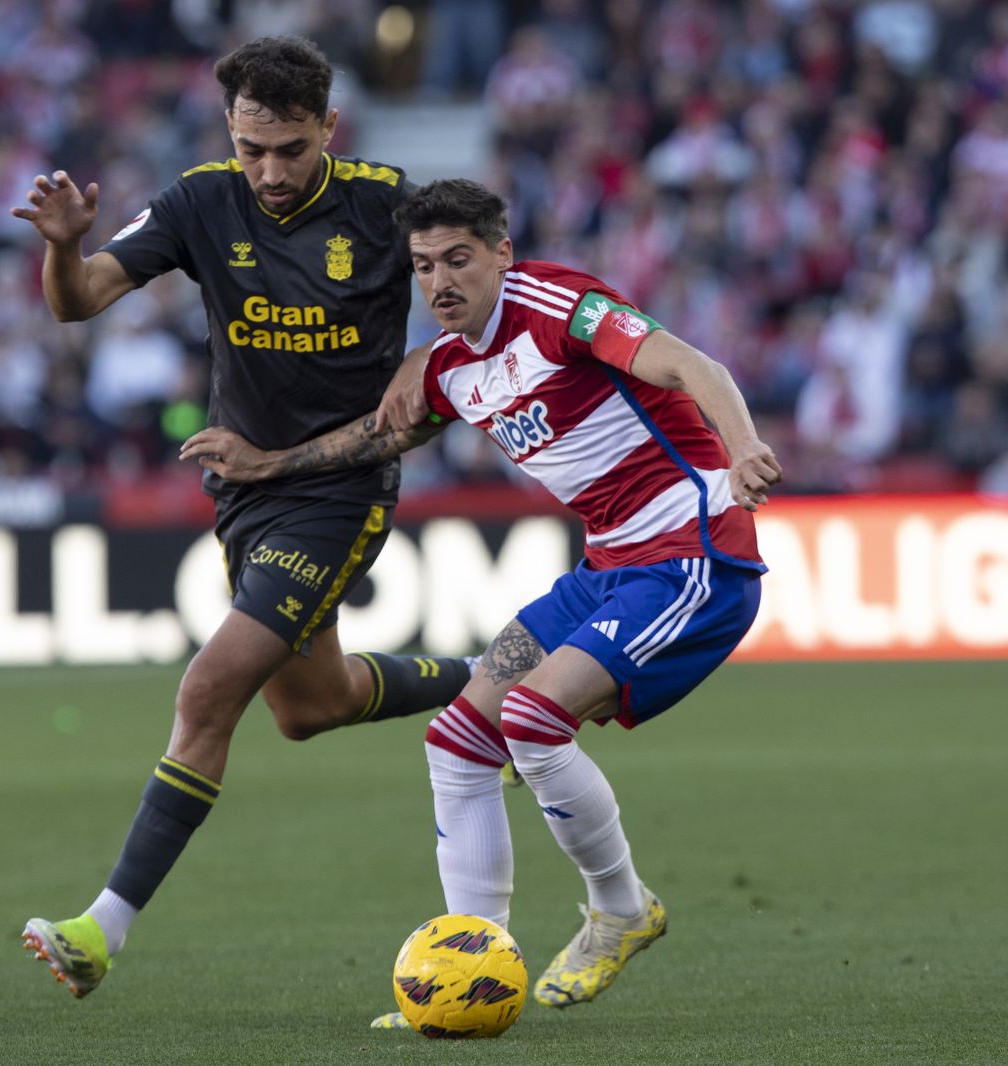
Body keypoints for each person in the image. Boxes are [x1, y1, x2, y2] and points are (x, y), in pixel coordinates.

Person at [181, 179, 781, 1022]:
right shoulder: (452, 367)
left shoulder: (559, 305)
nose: (440, 281)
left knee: (534, 719)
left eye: (458, 258)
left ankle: (620, 910)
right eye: (424, 265)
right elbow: (378, 436)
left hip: (693, 558)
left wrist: (745, 445)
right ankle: (471, 970)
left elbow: (692, 364)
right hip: (604, 572)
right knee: (459, 737)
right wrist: (264, 465)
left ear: (502, 253)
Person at [11, 37, 474, 998]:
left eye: (292, 150)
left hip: (343, 488)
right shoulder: (198, 201)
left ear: (329, 132)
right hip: (245, 490)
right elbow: (80, 302)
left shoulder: (387, 204)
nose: (269, 171)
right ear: (230, 132)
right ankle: (497, 681)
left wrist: (424, 357)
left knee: (207, 692)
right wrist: (62, 247)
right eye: (252, 147)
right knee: (313, 706)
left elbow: (482, 295)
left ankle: (101, 931)